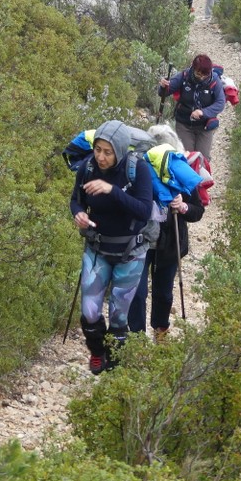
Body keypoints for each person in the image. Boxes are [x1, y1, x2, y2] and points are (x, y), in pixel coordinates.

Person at [70, 120, 154, 375]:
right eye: (98, 150)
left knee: (119, 317)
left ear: (119, 150)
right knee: (90, 312)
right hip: (97, 248)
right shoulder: (87, 168)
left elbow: (143, 210)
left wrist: (111, 190)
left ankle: (115, 368)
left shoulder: (137, 170)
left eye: (108, 152)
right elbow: (76, 200)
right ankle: (97, 352)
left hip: (130, 252)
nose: (101, 157)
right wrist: (79, 215)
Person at [128, 125, 204, 341]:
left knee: (163, 292)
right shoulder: (137, 169)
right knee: (137, 291)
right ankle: (136, 339)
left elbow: (197, 211)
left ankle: (160, 330)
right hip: (140, 240)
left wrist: (184, 206)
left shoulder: (182, 171)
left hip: (170, 242)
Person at [158, 54, 225, 162]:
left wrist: (203, 112)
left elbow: (220, 103)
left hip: (204, 127)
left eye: (205, 75)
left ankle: (201, 179)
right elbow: (164, 92)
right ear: (193, 68)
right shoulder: (184, 76)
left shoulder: (215, 81)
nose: (201, 77)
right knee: (186, 158)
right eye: (199, 73)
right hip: (184, 124)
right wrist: (163, 87)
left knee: (202, 160)